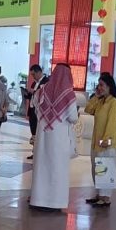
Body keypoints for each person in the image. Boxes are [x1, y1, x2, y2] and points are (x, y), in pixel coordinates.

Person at [29, 64, 78, 211]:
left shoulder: (41, 91)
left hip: (43, 137)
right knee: (57, 169)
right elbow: (73, 117)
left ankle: (38, 199)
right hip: (59, 139)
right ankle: (55, 202)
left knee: (41, 167)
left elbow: (34, 107)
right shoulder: (68, 94)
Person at [84, 73, 116, 207]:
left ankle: (106, 197)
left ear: (109, 86)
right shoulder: (100, 101)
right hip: (97, 142)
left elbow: (112, 123)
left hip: (107, 142)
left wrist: (106, 140)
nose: (99, 87)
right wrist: (96, 96)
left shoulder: (114, 102)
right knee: (97, 168)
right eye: (98, 85)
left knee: (105, 167)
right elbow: (88, 109)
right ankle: (99, 194)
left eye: (102, 85)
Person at [24, 64, 48, 161]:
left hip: (40, 111)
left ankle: (40, 153)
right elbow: (32, 96)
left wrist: (33, 92)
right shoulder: (34, 83)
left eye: (34, 74)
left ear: (39, 72)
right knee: (33, 132)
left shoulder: (46, 82)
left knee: (39, 133)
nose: (33, 77)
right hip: (32, 110)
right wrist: (27, 93)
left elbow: (43, 95)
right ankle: (34, 152)